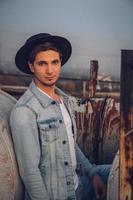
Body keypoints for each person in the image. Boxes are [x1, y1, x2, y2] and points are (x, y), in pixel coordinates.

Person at [10, 33, 110, 200]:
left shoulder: (62, 100)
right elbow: (30, 173)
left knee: (121, 172)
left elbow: (71, 144)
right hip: (58, 195)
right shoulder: (25, 111)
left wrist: (93, 174)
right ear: (31, 66)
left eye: (54, 62)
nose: (50, 70)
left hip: (80, 183)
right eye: (42, 63)